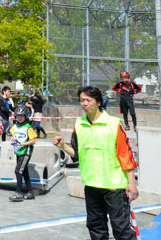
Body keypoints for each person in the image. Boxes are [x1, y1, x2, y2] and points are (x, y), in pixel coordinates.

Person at [53, 86, 139, 240]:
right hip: (91, 185)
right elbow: (77, 154)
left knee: (121, 229)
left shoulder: (114, 124)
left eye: (88, 100)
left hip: (114, 186)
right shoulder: (79, 125)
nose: (84, 103)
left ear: (98, 102)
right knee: (95, 226)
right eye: (82, 100)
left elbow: (126, 154)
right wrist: (63, 146)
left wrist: (131, 183)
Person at [8, 105, 37, 201]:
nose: (19, 118)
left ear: (26, 117)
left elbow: (33, 141)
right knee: (24, 171)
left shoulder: (28, 127)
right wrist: (13, 141)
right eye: (18, 116)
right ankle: (30, 192)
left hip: (25, 151)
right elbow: (13, 135)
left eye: (22, 116)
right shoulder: (15, 126)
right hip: (18, 151)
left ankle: (18, 193)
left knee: (18, 171)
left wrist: (23, 144)